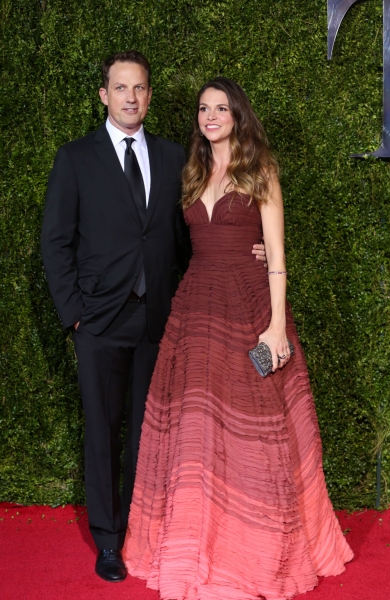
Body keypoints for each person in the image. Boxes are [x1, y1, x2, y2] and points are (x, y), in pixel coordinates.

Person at [123, 77, 353, 599]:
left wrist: (275, 326)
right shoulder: (192, 169)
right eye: (204, 109)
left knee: (255, 431)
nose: (210, 117)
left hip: (250, 309)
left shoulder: (260, 169)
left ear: (237, 115)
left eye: (220, 108)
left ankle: (253, 546)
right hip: (197, 310)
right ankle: (197, 539)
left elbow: (276, 256)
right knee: (197, 429)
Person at [41, 53, 265, 583]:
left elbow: (196, 232)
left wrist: (247, 251)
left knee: (151, 432)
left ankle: (147, 530)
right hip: (97, 322)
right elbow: (55, 242)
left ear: (149, 93)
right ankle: (109, 541)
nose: (131, 98)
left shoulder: (173, 159)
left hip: (160, 322)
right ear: (104, 95)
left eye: (139, 88)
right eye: (120, 89)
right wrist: (74, 315)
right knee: (103, 431)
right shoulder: (75, 158)